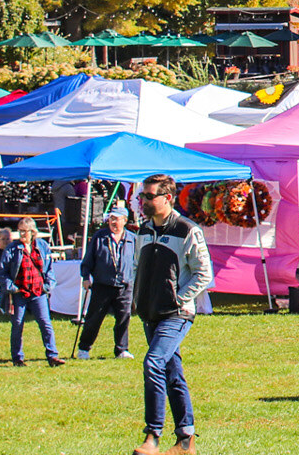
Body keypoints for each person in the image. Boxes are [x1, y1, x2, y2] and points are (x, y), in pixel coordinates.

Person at [133, 172, 212, 455]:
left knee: (153, 362)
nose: (143, 200)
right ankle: (185, 439)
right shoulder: (142, 230)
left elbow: (204, 274)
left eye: (149, 196)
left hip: (176, 314)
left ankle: (152, 435)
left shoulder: (187, 230)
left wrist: (179, 298)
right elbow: (135, 268)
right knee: (171, 372)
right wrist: (136, 298)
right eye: (143, 195)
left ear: (167, 198)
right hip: (149, 313)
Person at [0, 217, 65, 368]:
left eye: (24, 232)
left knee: (45, 323)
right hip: (20, 292)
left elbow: (49, 269)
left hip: (38, 292)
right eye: (20, 231)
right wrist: (12, 288)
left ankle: (52, 356)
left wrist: (48, 286)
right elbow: (2, 273)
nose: (22, 235)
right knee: (17, 324)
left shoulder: (42, 246)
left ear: (33, 232)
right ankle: (17, 358)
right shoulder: (12, 249)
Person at [79, 205, 139, 360]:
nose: (113, 222)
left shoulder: (133, 239)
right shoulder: (100, 237)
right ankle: (84, 348)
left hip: (125, 285)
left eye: (116, 219)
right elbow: (88, 260)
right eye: (111, 218)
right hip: (102, 285)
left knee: (123, 319)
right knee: (94, 318)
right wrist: (86, 277)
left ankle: (121, 350)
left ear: (124, 221)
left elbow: (138, 263)